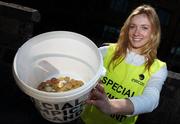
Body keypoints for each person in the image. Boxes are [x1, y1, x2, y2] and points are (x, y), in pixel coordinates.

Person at [81, 4, 168, 124]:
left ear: (154, 32)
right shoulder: (106, 51)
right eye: (133, 26)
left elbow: (151, 99)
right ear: (127, 29)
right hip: (86, 120)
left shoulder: (158, 68)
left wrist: (112, 106)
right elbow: (79, 70)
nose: (136, 32)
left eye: (144, 27)